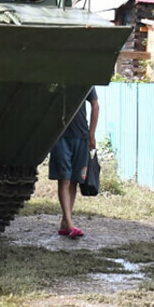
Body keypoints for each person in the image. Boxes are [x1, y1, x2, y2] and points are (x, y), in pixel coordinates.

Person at [48, 86, 99, 238]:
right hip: (60, 135)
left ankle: (65, 222)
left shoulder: (86, 80)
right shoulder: (58, 80)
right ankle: (70, 224)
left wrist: (91, 134)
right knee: (64, 179)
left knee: (74, 181)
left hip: (81, 135)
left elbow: (95, 105)